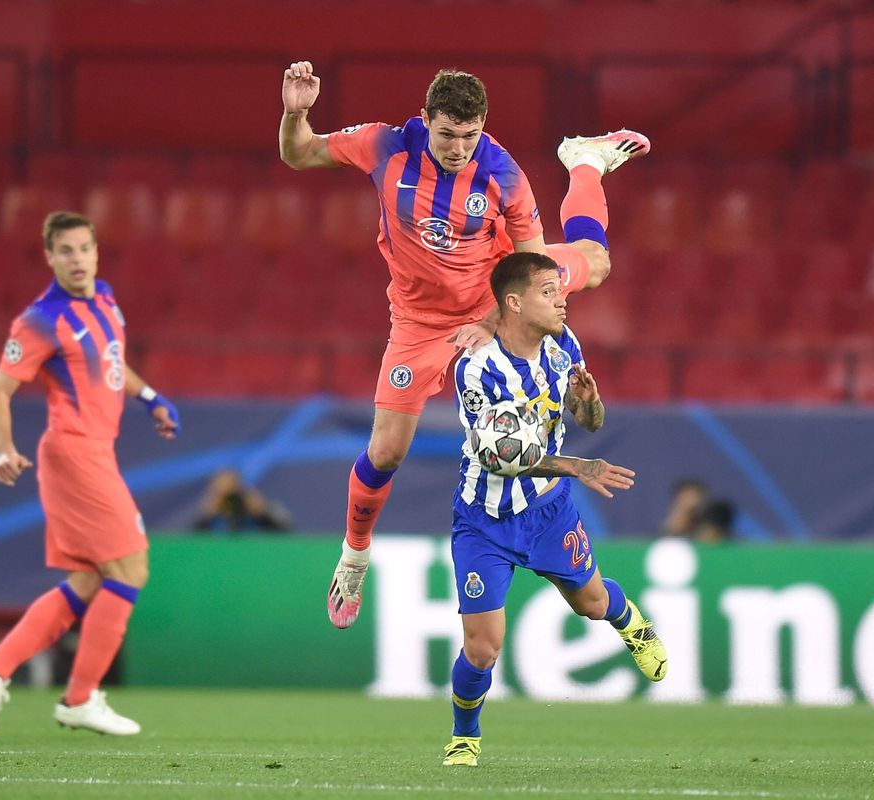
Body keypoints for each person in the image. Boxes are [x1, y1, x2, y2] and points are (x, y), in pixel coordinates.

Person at [279, 60, 651, 628]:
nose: (458, 147)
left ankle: (585, 161)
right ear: (425, 120)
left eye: (469, 135)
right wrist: (295, 113)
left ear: (483, 128)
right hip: (418, 323)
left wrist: (491, 318)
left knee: (596, 263)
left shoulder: (502, 172)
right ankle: (354, 557)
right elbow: (298, 153)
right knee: (386, 452)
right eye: (447, 133)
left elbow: (527, 266)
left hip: (494, 304)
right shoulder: (385, 145)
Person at [0, 211, 181, 737]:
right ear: (50, 257)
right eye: (66, 251)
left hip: (96, 452)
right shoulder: (39, 320)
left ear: (96, 252)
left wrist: (149, 397)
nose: (77, 259)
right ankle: (78, 699)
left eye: (84, 248)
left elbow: (109, 363)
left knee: (87, 580)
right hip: (73, 453)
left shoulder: (104, 297)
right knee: (132, 570)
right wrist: (3, 449)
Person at [443, 252, 667, 766]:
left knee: (590, 603)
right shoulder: (479, 369)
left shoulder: (564, 347)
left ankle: (631, 623)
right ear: (514, 302)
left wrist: (587, 401)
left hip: (549, 512)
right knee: (483, 649)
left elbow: (589, 420)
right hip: (486, 518)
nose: (562, 299)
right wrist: (577, 468)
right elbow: (502, 457)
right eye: (548, 291)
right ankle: (465, 737)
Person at [193, 468, 294, 532]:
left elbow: (288, 535)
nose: (230, 499)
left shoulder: (257, 514)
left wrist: (264, 513)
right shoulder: (210, 518)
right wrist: (206, 517)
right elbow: (189, 544)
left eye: (233, 487)